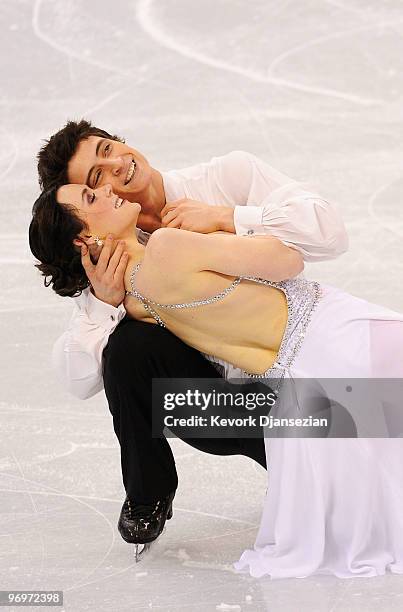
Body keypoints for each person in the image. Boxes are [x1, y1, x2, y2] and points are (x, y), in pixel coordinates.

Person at [29, 183, 403, 578]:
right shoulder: (167, 245)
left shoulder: (130, 303)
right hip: (329, 334)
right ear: (84, 237)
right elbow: (288, 260)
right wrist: (226, 222)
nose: (107, 188)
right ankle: (147, 494)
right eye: (91, 197)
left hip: (295, 380)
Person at [36, 120, 348, 552]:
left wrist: (228, 216)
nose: (116, 169)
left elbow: (330, 233)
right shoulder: (106, 263)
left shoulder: (223, 178)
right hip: (231, 408)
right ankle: (150, 493)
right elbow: (76, 379)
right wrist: (105, 305)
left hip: (301, 355)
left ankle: (313, 462)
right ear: (83, 229)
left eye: (109, 149)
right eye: (95, 181)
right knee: (125, 348)